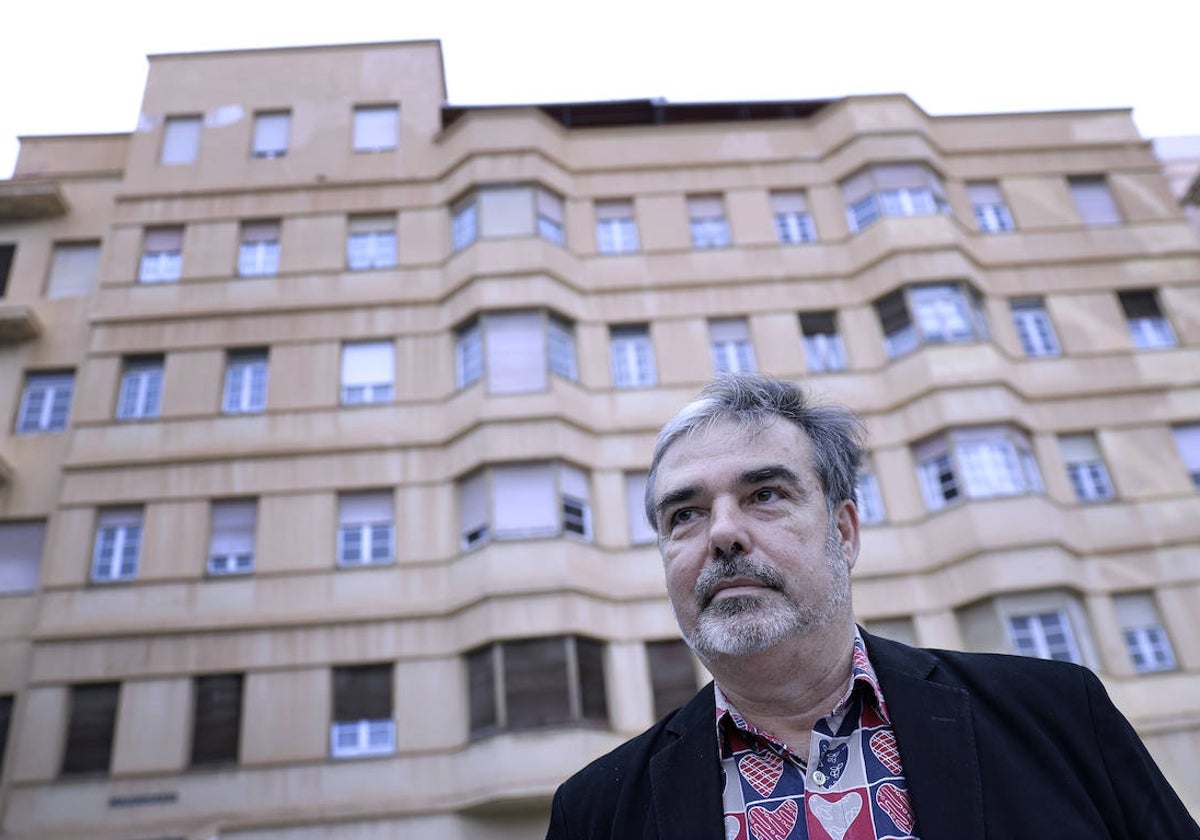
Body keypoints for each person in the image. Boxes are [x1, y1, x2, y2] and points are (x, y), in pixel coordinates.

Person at [546, 373, 1198, 840]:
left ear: (846, 532)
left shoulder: (1058, 717)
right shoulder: (595, 813)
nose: (722, 533)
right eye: (684, 514)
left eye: (765, 494)